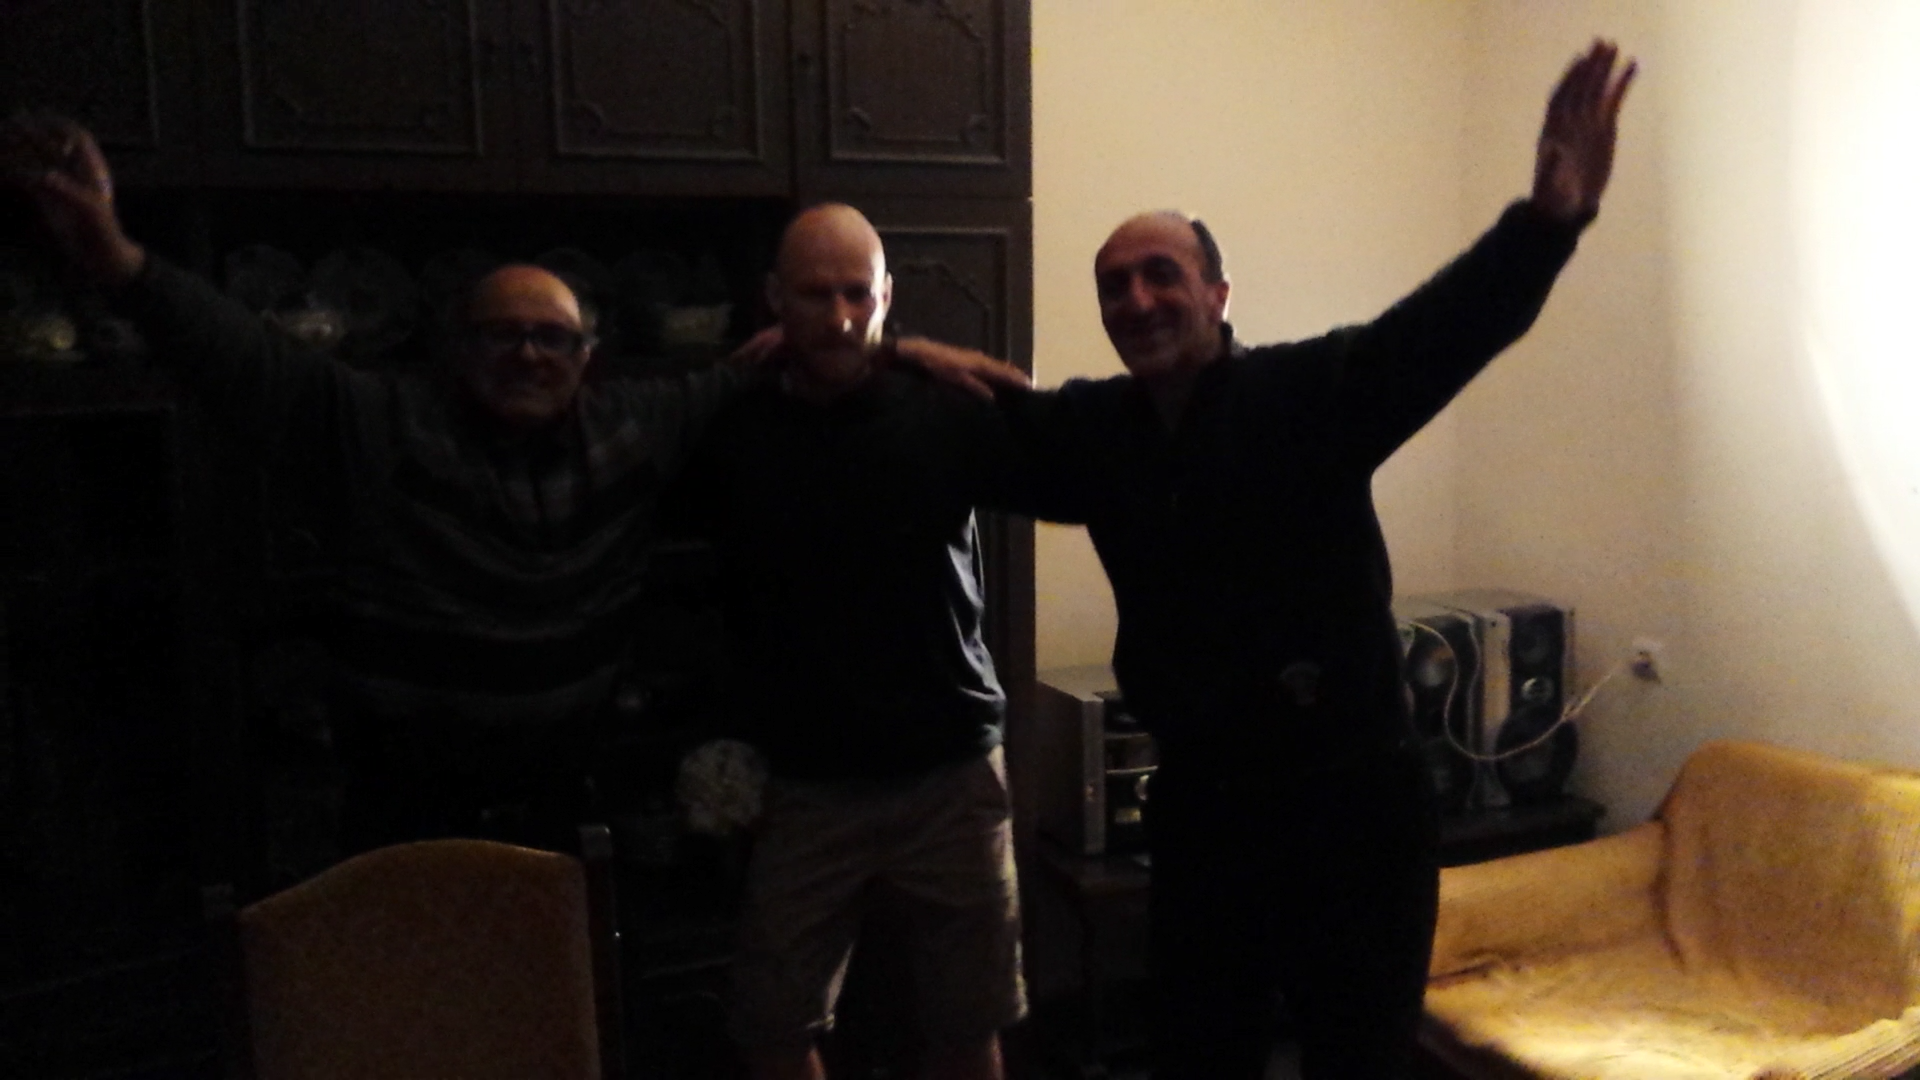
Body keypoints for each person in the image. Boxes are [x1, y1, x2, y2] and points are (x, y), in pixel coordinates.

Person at [896, 40, 1637, 1080]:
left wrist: (1550, 220)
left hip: (1355, 810)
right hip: (1207, 814)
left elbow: (1445, 329)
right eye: (1114, 285)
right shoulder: (1097, 435)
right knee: (1202, 1057)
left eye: (1162, 274)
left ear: (1219, 293)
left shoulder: (1310, 397)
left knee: (1356, 1059)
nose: (1136, 299)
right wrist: (879, 353)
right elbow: (958, 433)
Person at [0, 117, 1023, 856]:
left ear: (587, 356)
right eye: (501, 335)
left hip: (563, 803)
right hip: (401, 811)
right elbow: (241, 357)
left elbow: (812, 344)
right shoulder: (380, 426)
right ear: (456, 347)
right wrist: (118, 261)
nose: (528, 354)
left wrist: (899, 349)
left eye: (551, 337)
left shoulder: (633, 428)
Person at [675, 203, 1059, 1080]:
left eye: (859, 293)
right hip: (807, 783)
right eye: (817, 294)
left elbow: (1064, 442)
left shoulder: (945, 409)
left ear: (888, 297)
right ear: (774, 298)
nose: (842, 316)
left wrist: (927, 356)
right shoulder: (732, 425)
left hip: (950, 774)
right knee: (771, 1022)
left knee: (971, 1020)